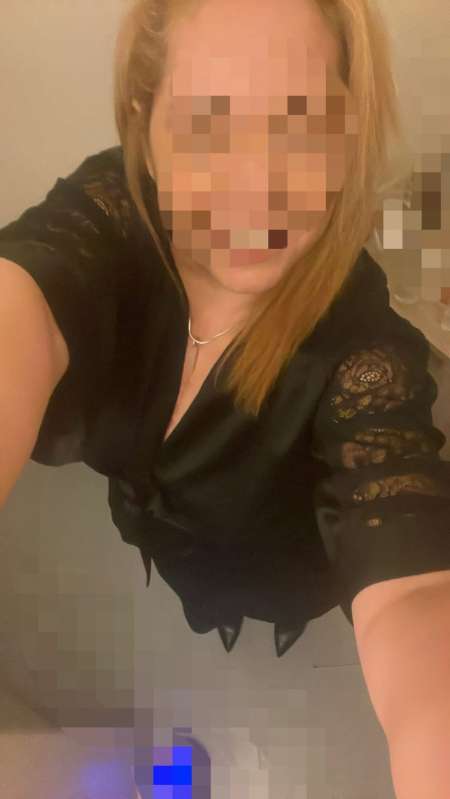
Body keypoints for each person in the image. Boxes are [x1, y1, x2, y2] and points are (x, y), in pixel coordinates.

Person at [0, 0, 449, 665]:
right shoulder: (109, 213)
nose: (256, 187)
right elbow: (21, 305)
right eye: (205, 126)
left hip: (268, 572)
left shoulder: (366, 355)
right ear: (144, 131)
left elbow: (413, 583)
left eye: (304, 127)